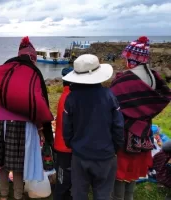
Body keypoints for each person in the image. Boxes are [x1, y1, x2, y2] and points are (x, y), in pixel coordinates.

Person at [0, 36, 53, 200]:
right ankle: (18, 195)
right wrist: (45, 131)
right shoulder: (33, 73)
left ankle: (4, 195)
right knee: (18, 164)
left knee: (2, 163)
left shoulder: (5, 69)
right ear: (32, 58)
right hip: (22, 125)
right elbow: (40, 103)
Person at [110, 36, 171, 200]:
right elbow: (157, 100)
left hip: (124, 131)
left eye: (126, 57)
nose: (124, 61)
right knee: (132, 172)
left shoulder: (125, 80)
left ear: (132, 57)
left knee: (120, 171)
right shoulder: (153, 76)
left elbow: (112, 104)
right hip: (143, 131)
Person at [62, 54, 124, 200]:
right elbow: (118, 127)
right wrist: (115, 148)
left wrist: (73, 145)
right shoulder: (109, 95)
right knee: (103, 193)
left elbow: (66, 128)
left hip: (80, 155)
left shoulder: (71, 98)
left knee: (79, 194)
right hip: (105, 155)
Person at [53, 66, 74, 200]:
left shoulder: (64, 95)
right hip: (66, 145)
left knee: (65, 174)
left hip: (61, 143)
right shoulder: (70, 97)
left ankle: (65, 195)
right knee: (64, 176)